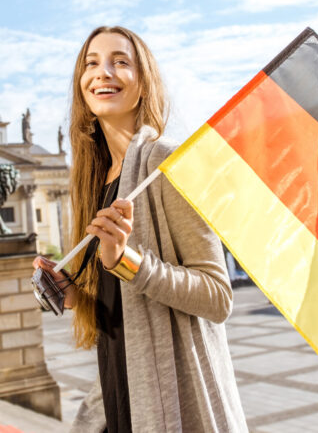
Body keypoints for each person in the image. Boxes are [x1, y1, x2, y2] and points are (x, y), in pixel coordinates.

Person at [33, 26, 247, 433]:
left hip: (170, 401)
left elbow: (218, 297)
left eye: (120, 62)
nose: (102, 73)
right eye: (91, 63)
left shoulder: (166, 164)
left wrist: (127, 260)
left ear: (144, 82)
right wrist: (73, 294)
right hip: (116, 393)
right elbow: (122, 306)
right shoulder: (91, 180)